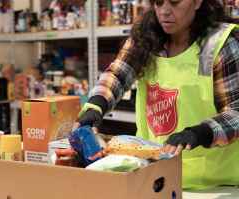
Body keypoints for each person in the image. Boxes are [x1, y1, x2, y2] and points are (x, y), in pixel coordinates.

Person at [78, 0, 239, 190]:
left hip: (214, 185)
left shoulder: (220, 44)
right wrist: (96, 105)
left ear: (197, 2)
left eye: (175, 2)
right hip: (155, 178)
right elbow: (117, 75)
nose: (164, 11)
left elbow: (235, 113)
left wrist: (200, 132)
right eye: (158, 2)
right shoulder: (146, 38)